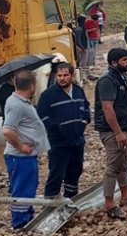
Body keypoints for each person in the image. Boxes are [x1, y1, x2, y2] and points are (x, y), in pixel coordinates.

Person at [94, 48, 127, 219]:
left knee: (124, 163)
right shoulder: (107, 81)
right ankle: (109, 204)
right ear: (113, 62)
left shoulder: (122, 76)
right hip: (112, 131)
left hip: (126, 128)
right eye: (124, 60)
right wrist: (118, 132)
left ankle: (126, 195)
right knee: (113, 167)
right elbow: (107, 108)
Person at [1, 70, 50, 229]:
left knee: (28, 187)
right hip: (19, 156)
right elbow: (7, 130)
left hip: (25, 156)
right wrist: (21, 146)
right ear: (32, 86)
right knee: (22, 188)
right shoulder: (16, 104)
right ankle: (20, 223)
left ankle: (27, 218)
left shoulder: (19, 101)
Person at [36, 63, 89, 200]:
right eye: (59, 75)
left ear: (72, 75)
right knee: (57, 173)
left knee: (75, 171)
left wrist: (84, 121)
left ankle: (71, 199)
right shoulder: (48, 95)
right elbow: (41, 115)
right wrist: (56, 128)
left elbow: (86, 107)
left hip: (77, 141)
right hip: (58, 143)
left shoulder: (78, 91)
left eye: (65, 75)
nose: (62, 78)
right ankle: (50, 203)